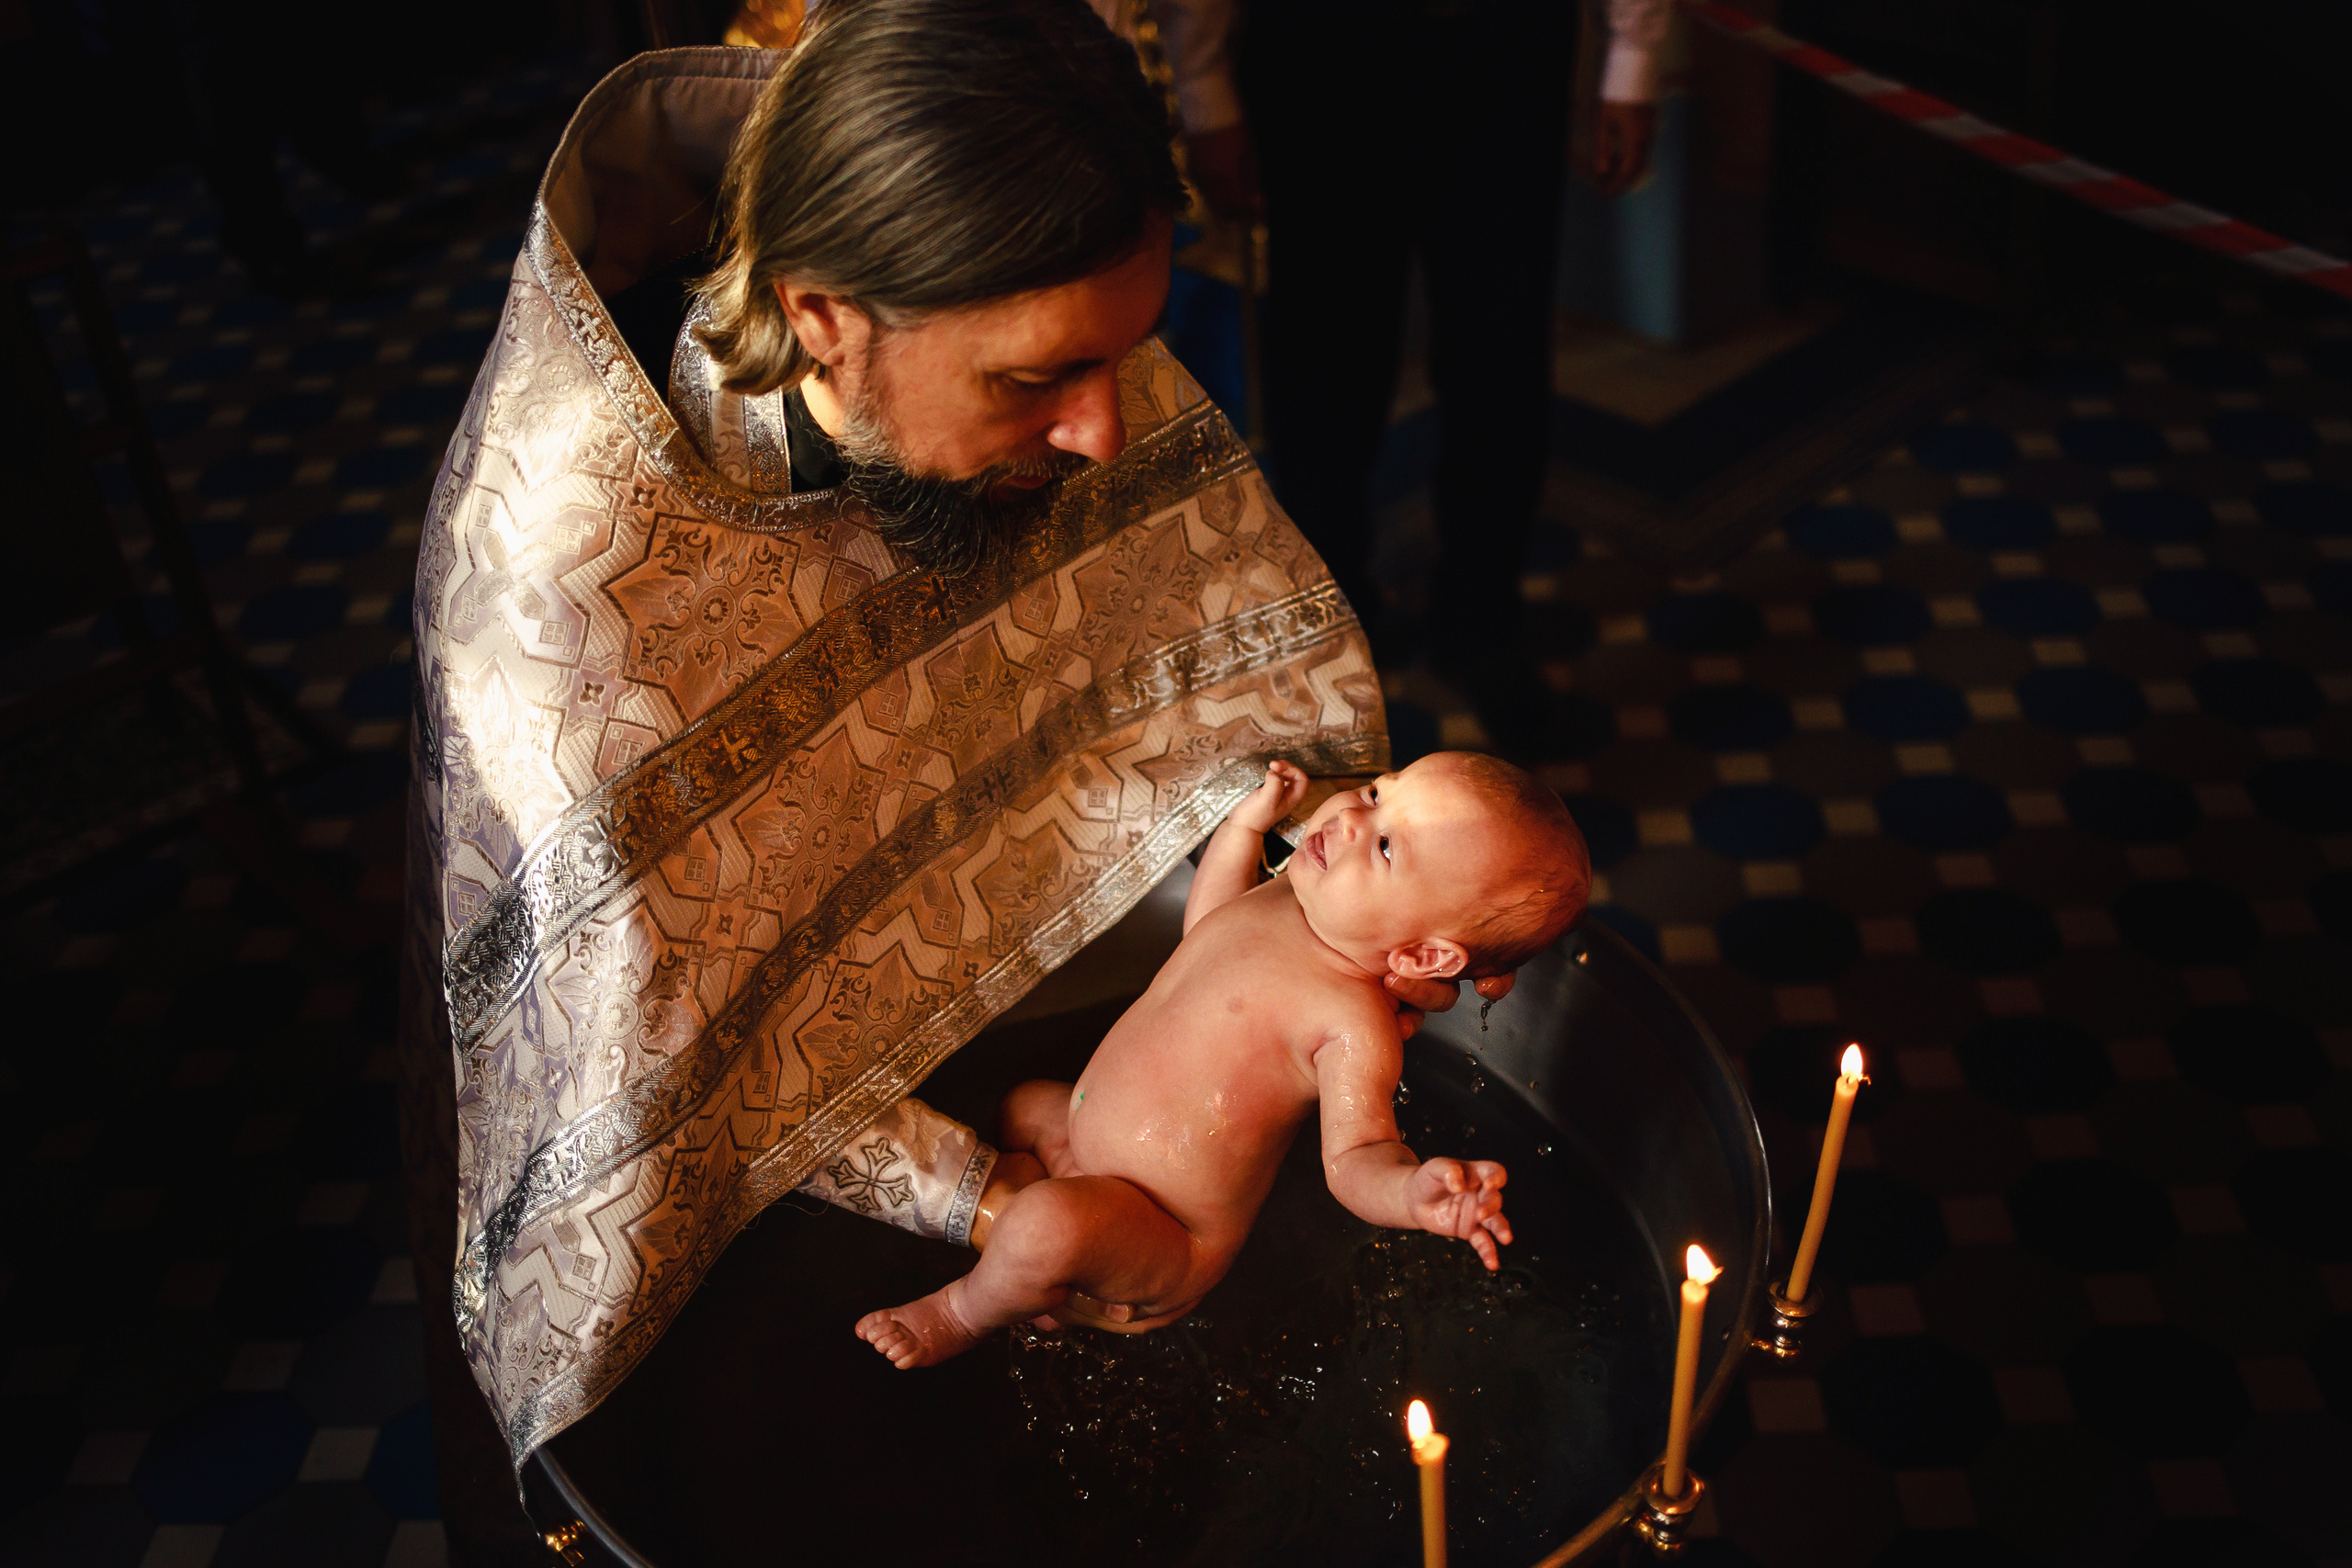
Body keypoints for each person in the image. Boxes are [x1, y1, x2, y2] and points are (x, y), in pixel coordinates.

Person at [400, 6, 1502, 1559]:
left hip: (1064, 1069)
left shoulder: (1036, 315)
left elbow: (1226, 675)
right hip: (783, 1196)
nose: (1108, 430)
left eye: (1129, 354)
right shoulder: (568, 601)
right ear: (825, 317)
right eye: (1043, 382)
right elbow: (681, 1067)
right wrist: (1006, 1215)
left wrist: (1350, 893)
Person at [855, 750, 1589, 1368]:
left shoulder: (1350, 1020)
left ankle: (962, 1309)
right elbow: (1205, 928)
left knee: (1046, 1225)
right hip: (1090, 1152)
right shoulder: (1288, 900)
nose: (1353, 816)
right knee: (1023, 1102)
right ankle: (1043, 1257)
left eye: (1389, 846)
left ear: (1425, 955)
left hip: (1165, 1231)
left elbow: (1359, 1152)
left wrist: (1414, 1193)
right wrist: (1245, 826)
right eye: (1376, 791)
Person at [1142, 0, 1668, 753]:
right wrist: (1204, 88)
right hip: (1323, 49)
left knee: (1503, 356)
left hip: (1507, 47)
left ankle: (1482, 623)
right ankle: (1333, 622)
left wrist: (1634, 60)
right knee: (1323, 367)